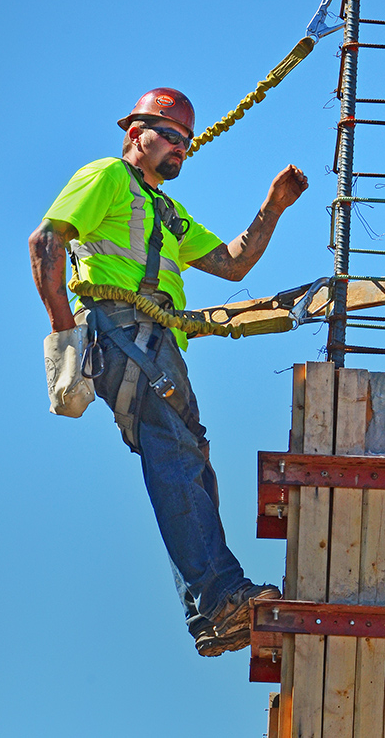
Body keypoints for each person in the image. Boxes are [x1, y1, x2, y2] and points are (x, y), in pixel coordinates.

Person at [28, 87, 308, 656]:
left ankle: (212, 612)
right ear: (137, 135)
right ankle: (222, 594)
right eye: (171, 136)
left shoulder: (167, 213)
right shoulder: (108, 175)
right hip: (124, 333)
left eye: (186, 140)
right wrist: (65, 329)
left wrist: (274, 205)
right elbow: (47, 239)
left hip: (154, 343)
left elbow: (232, 263)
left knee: (191, 463)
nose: (181, 148)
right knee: (176, 457)